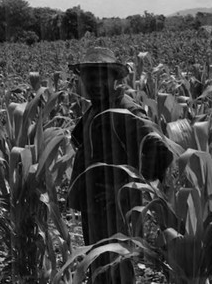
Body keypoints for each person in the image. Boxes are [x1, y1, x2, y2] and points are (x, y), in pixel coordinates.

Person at [67, 47, 173, 283]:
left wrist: (127, 187)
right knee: (98, 264)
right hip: (94, 204)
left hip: (115, 206)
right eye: (88, 78)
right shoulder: (97, 107)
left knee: (116, 266)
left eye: (100, 78)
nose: (93, 84)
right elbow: (79, 142)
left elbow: (160, 149)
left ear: (114, 79)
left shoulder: (125, 110)